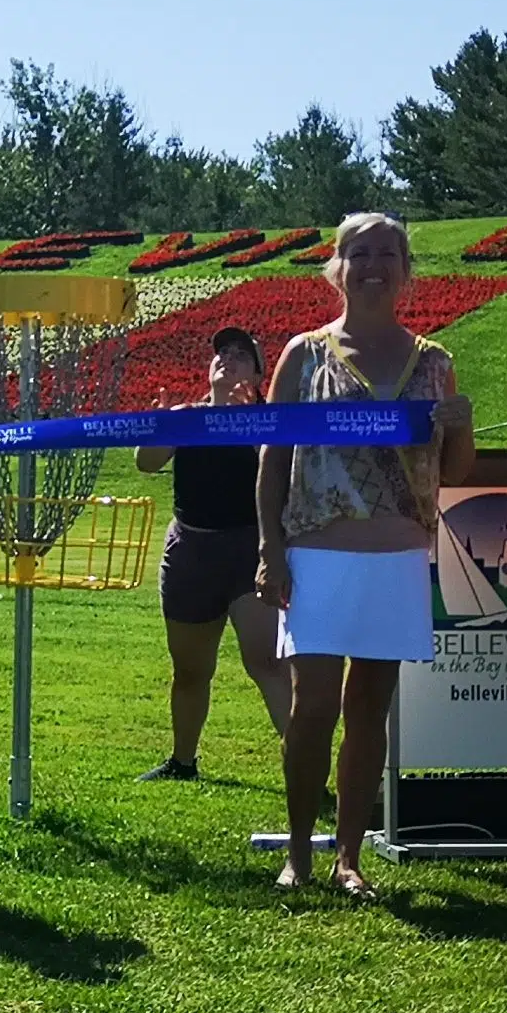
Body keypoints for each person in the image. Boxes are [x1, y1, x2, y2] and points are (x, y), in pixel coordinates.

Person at [257, 213, 475, 901]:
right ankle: (298, 851)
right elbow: (273, 454)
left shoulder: (434, 363)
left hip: (398, 555)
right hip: (318, 553)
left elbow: (457, 468)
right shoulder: (304, 354)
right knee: (313, 704)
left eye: (388, 253)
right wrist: (270, 545)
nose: (374, 265)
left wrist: (459, 424)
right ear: (337, 268)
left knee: (368, 711)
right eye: (360, 253)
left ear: (406, 269)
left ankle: (349, 858)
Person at [135, 325, 291, 780]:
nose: (228, 359)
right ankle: (183, 762)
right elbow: (147, 463)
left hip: (250, 551)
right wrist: (162, 427)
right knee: (189, 670)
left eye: (241, 354)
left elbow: (284, 473)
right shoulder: (187, 415)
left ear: (260, 374)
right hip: (190, 551)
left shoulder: (268, 420)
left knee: (265, 662)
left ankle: (305, 765)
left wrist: (254, 430)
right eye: (222, 353)